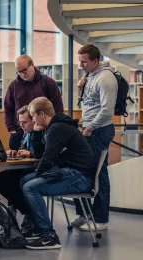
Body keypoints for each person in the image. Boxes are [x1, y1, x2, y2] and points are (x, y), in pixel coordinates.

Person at [20, 97, 95, 250]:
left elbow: (48, 158)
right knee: (24, 181)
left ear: (41, 114)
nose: (33, 120)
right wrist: (36, 133)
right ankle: (36, 226)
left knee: (30, 187)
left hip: (80, 176)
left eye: (33, 116)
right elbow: (41, 155)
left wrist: (38, 173)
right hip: (71, 172)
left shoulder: (57, 128)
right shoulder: (53, 127)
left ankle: (49, 236)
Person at [72, 44, 117, 232]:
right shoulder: (91, 75)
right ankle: (85, 213)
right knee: (79, 169)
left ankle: (101, 219)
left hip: (98, 131)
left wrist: (90, 127)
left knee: (99, 174)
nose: (80, 65)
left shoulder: (106, 78)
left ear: (95, 61)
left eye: (84, 61)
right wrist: (81, 87)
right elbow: (89, 103)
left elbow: (107, 111)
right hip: (89, 129)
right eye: (80, 61)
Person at [0, 105, 45, 233]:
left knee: (18, 180)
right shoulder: (25, 134)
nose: (21, 125)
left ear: (34, 120)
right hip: (25, 167)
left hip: (38, 169)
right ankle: (26, 211)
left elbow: (46, 154)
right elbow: (23, 149)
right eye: (19, 122)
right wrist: (16, 152)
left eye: (24, 122)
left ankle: (29, 215)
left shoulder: (43, 132)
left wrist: (30, 154)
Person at [4, 54, 64, 150]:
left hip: (42, 131)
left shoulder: (48, 83)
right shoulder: (13, 86)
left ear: (32, 64)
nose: (22, 74)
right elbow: (8, 108)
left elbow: (58, 109)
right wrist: (12, 129)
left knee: (37, 156)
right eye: (19, 72)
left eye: (24, 70)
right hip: (19, 131)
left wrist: (52, 129)